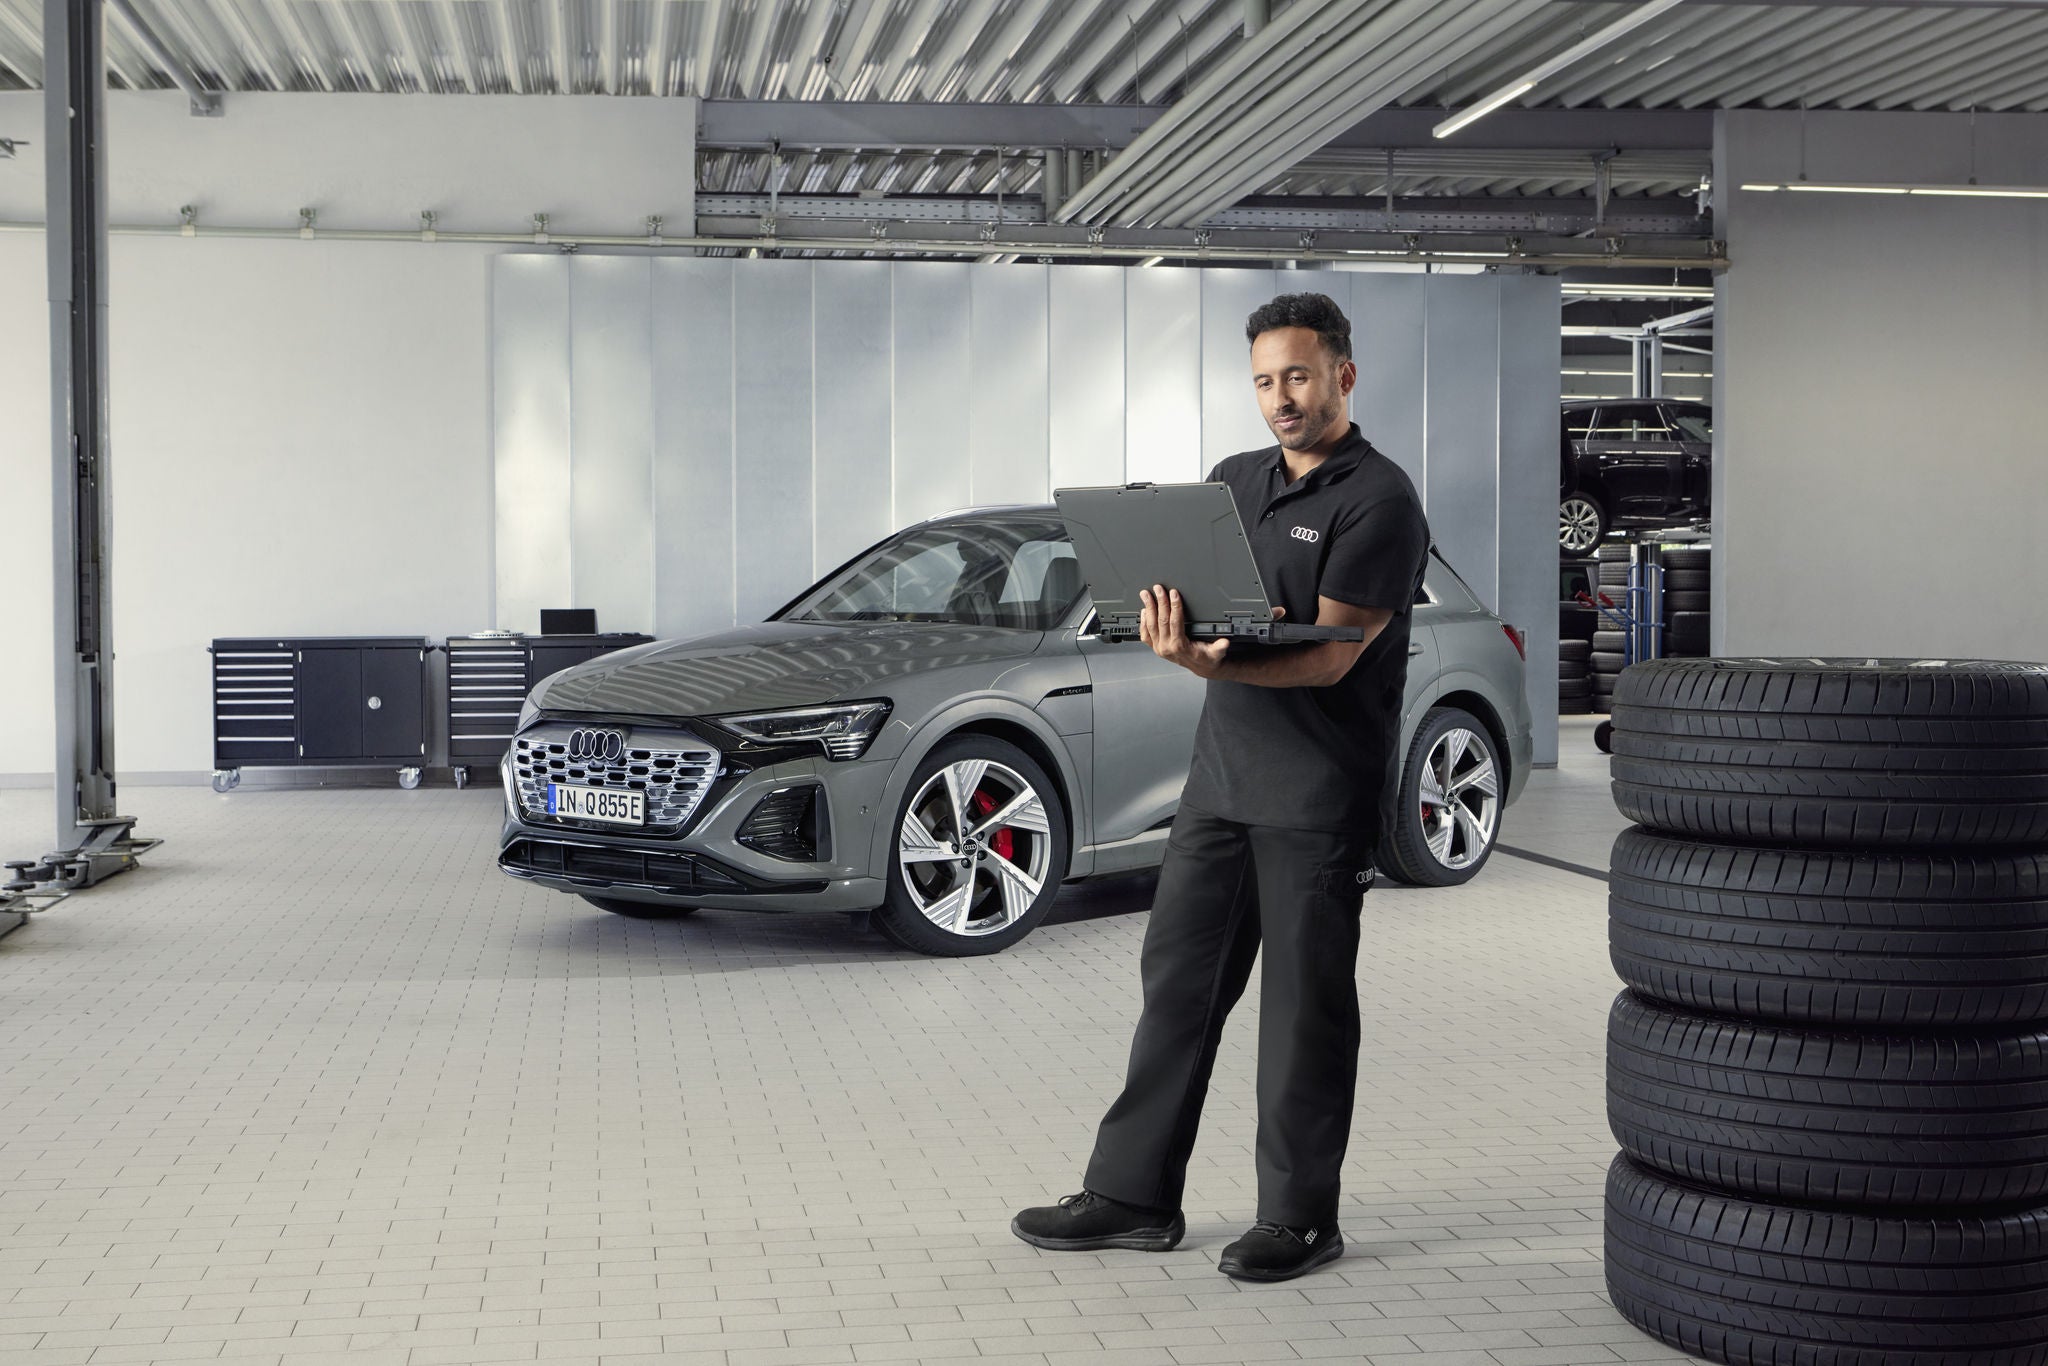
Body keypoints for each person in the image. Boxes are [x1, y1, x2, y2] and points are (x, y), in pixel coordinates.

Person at [1012, 292, 1431, 1282]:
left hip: (1315, 795)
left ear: (1342, 375)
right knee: (1175, 991)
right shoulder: (1231, 481)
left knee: (1301, 1012)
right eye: (1262, 380)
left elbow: (1329, 656)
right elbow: (1212, 604)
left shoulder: (1379, 499)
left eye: (1296, 375)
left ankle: (1297, 1218)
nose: (1278, 398)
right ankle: (1130, 1194)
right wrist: (1164, 624)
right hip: (1219, 785)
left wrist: (1203, 665)